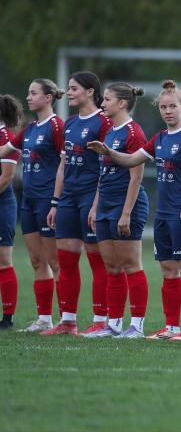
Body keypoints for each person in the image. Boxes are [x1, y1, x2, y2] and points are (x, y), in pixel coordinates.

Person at [87, 80, 181, 341]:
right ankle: (172, 326)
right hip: (162, 213)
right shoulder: (160, 138)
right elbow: (131, 159)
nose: (168, 111)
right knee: (168, 269)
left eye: (172, 106)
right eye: (163, 107)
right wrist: (108, 151)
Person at [42, 71, 114, 336]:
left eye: (74, 88)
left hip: (91, 196)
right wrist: (55, 202)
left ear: (90, 91)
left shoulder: (104, 122)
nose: (69, 93)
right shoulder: (70, 123)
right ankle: (67, 321)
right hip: (68, 199)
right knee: (66, 259)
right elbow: (63, 166)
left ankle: (101, 319)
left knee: (97, 260)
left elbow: (106, 167)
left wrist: (96, 204)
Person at [79, 83, 149, 338]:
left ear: (122, 103)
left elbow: (136, 177)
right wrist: (95, 206)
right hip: (105, 205)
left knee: (131, 264)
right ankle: (114, 325)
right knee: (111, 266)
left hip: (125, 205)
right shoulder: (109, 132)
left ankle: (137, 326)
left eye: (107, 99)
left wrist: (126, 213)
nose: (102, 103)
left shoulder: (134, 132)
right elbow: (104, 173)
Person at [0, 80, 64, 332]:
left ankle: (67, 319)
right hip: (29, 201)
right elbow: (5, 150)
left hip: (48, 201)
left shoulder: (57, 126)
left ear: (48, 97)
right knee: (37, 261)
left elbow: (65, 163)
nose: (28, 98)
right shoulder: (30, 128)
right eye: (28, 93)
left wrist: (57, 201)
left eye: (33, 93)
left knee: (55, 262)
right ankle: (44, 319)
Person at [0, 95, 22, 328]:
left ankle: (7, 318)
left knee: (3, 261)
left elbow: (6, 177)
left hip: (2, 205)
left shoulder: (5, 137)